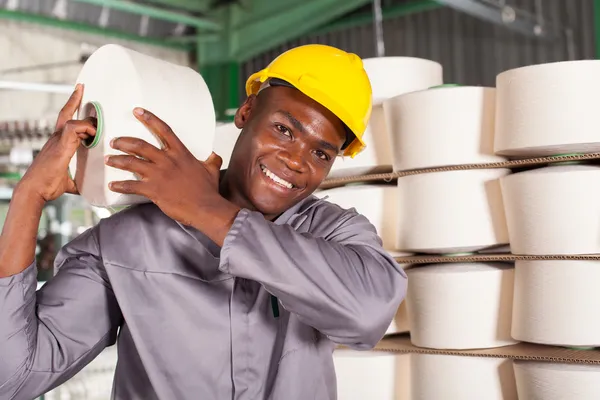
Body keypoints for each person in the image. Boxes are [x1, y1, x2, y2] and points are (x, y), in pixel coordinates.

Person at [0, 44, 407, 399]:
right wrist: (28, 196)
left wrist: (204, 209)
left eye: (322, 154)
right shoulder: (127, 240)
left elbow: (368, 314)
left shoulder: (332, 233)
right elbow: (13, 378)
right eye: (283, 129)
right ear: (246, 111)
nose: (297, 161)